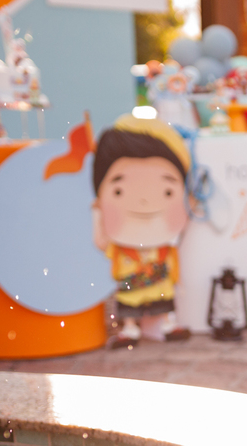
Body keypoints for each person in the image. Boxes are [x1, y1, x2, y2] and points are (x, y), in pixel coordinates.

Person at [92, 114, 192, 348]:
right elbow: (100, 242)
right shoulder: (118, 243)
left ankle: (167, 324)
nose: (145, 201)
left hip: (158, 277)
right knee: (127, 303)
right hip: (130, 279)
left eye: (167, 192)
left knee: (163, 300)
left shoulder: (168, 239)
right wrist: (97, 216)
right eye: (119, 192)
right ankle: (129, 328)